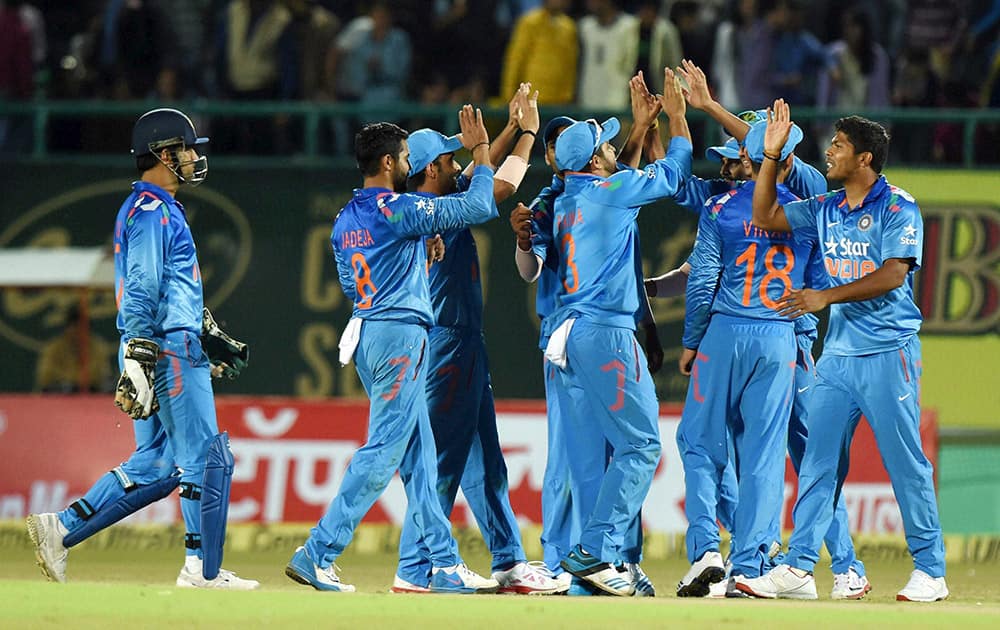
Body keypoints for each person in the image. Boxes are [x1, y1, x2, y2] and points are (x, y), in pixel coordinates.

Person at [26, 108, 257, 589]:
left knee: (156, 463)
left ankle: (62, 528)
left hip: (159, 344)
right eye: (188, 149)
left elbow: (160, 284)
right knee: (205, 458)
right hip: (165, 348)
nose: (195, 157)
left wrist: (194, 328)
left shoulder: (148, 208)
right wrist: (145, 346)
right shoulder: (154, 210)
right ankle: (201, 570)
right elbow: (144, 283)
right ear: (163, 154)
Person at [735, 101, 948, 602]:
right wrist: (769, 156)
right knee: (817, 463)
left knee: (905, 462)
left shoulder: (898, 206)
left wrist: (824, 297)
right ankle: (799, 568)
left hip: (887, 354)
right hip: (837, 359)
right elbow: (764, 214)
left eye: (838, 146)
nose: (828, 153)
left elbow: (896, 272)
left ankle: (930, 571)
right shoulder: (827, 208)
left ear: (866, 159)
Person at [285, 106, 500, 594]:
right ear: (387, 163)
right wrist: (483, 152)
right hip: (400, 336)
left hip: (368, 329)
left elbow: (349, 279)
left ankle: (442, 564)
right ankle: (317, 551)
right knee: (384, 450)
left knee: (420, 457)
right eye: (404, 157)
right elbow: (478, 207)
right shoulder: (398, 209)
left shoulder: (346, 218)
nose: (408, 164)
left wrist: (415, 252)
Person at [392, 86, 564, 595]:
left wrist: (503, 131)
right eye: (449, 159)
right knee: (443, 458)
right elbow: (499, 185)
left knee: (485, 459)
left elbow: (480, 175)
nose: (456, 163)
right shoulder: (432, 211)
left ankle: (508, 560)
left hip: (463, 342)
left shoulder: (440, 197)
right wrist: (528, 132)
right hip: (446, 343)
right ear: (430, 171)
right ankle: (417, 565)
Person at [535, 67, 692, 597]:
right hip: (606, 332)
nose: (609, 149)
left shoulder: (569, 199)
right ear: (596, 161)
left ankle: (599, 559)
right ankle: (594, 552)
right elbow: (675, 172)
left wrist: (635, 131)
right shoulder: (610, 192)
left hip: (576, 331)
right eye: (604, 145)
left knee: (612, 450)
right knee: (642, 445)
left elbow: (617, 177)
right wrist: (675, 119)